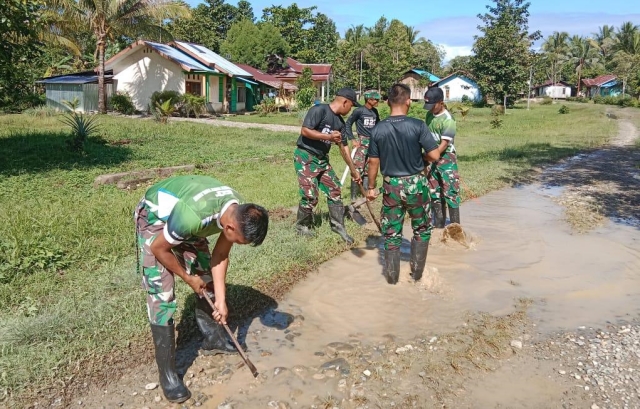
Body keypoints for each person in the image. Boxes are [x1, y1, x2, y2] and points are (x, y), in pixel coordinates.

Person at [134, 175, 269, 403]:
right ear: (229, 227)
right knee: (162, 293)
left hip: (187, 219)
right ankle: (167, 374)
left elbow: (220, 255)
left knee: (206, 276)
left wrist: (221, 301)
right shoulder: (193, 217)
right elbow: (160, 248)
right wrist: (187, 277)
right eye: (237, 240)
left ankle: (213, 338)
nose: (235, 243)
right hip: (156, 218)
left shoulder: (237, 210)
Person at [367, 84, 440, 284]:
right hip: (417, 184)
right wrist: (420, 157)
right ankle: (416, 277)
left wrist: (371, 187)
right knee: (422, 229)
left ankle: (392, 281)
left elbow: (373, 162)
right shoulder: (418, 125)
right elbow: (434, 155)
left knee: (391, 234)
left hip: (391, 186)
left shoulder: (378, 129)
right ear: (408, 101)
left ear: (388, 102)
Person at [294, 88, 362, 244]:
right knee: (310, 195)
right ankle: (302, 227)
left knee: (335, 189)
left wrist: (353, 170)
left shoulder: (340, 122)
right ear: (345, 101)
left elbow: (344, 147)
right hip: (306, 156)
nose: (350, 109)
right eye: (351, 105)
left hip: (322, 159)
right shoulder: (319, 110)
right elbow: (305, 131)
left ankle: (338, 226)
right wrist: (328, 136)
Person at [423, 87, 461, 227]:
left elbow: (444, 145)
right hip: (432, 157)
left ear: (441, 102)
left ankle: (455, 229)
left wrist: (429, 157)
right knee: (434, 192)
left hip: (446, 159)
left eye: (433, 105)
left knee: (450, 193)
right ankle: (439, 227)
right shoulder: (429, 116)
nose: (430, 108)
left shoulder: (448, 120)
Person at [344, 89, 381, 202]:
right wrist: (352, 139)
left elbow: (378, 126)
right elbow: (348, 124)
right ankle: (353, 197)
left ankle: (364, 193)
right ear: (369, 100)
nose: (378, 101)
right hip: (361, 142)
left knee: (367, 169)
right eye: (376, 99)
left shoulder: (375, 112)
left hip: (373, 143)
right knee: (357, 168)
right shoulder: (359, 111)